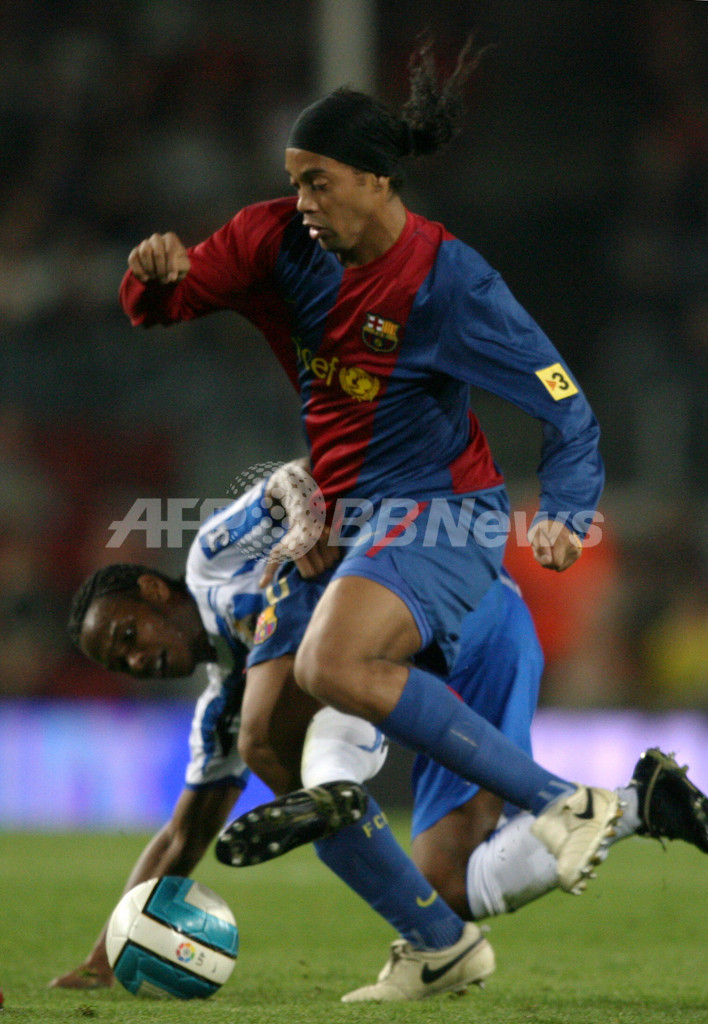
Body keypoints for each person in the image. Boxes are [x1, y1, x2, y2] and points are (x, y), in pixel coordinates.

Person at [118, 36, 622, 903]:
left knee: (333, 667)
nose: (302, 201)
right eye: (295, 181)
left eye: (318, 182)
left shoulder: (451, 285)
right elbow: (166, 303)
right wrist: (153, 277)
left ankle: (562, 802)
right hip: (350, 532)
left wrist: (568, 511)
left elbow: (566, 404)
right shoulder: (274, 241)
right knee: (282, 751)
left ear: (377, 179)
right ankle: (443, 937)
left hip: (439, 519)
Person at [50, 470, 708, 1002]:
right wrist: (106, 954)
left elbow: (290, 479)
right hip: (482, 650)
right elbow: (181, 835)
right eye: (121, 663)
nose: (137, 660)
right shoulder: (220, 706)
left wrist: (302, 518)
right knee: (446, 887)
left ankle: (335, 790)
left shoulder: (212, 564)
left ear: (152, 590)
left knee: (283, 710)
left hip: (450, 603)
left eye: (129, 635)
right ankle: (638, 805)